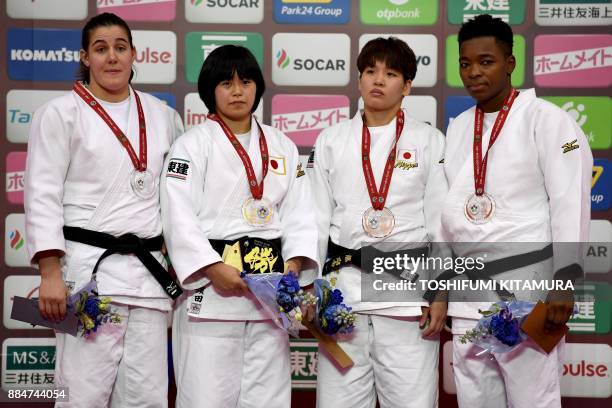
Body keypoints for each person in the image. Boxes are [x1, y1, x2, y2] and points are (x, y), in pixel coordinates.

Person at [24, 12, 184, 408]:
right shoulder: (59, 114)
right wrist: (49, 273)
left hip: (147, 281)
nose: (111, 57)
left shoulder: (163, 117)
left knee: (146, 398)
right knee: (80, 396)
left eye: (120, 47)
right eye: (100, 49)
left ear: (134, 55)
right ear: (85, 57)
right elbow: (41, 194)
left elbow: (178, 200)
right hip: (86, 276)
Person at [441, 14, 593, 408]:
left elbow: (569, 203)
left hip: (527, 290)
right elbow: (449, 212)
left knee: (533, 400)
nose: (473, 72)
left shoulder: (548, 121)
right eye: (465, 63)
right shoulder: (458, 128)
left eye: (486, 61)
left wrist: (564, 281)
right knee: (474, 399)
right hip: (468, 294)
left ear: (510, 62)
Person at [160, 44, 318, 408]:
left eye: (246, 82)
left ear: (258, 88)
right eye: (226, 83)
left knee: (268, 400)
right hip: (214, 296)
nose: (237, 91)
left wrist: (293, 266)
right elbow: (177, 216)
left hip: (269, 301)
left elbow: (300, 212)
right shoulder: (190, 145)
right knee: (205, 398)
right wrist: (213, 268)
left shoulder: (282, 145)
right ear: (209, 90)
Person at [308, 37, 448, 408]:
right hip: (342, 297)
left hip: (407, 298)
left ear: (407, 85)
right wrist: (312, 288)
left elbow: (439, 224)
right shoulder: (331, 141)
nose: (378, 80)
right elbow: (316, 220)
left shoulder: (429, 142)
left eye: (390, 73)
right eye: (370, 71)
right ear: (358, 80)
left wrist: (440, 289)